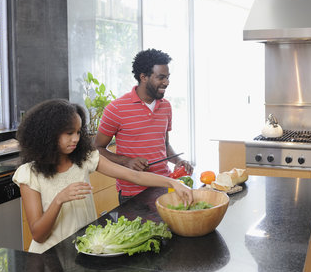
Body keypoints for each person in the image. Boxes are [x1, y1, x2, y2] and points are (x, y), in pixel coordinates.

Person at [13, 99, 193, 254]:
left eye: (78, 132)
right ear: (48, 134)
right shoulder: (29, 174)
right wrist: (59, 199)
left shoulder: (85, 159)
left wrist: (173, 182)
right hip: (49, 259)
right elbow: (38, 234)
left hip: (83, 248)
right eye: (69, 133)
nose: (75, 139)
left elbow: (134, 176)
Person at [94, 48, 193, 204]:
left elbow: (164, 144)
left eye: (167, 77)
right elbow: (97, 148)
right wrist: (126, 161)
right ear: (143, 77)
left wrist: (178, 160)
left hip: (164, 186)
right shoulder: (116, 109)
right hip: (132, 193)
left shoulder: (166, 106)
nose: (166, 83)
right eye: (161, 77)